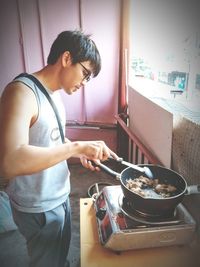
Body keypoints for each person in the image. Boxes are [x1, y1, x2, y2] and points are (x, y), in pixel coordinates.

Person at [0, 30, 118, 267]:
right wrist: (76, 147)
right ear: (66, 59)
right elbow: (11, 161)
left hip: (59, 194)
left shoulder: (53, 94)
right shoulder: (21, 92)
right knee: (46, 260)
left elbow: (51, 140)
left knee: (58, 254)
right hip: (38, 205)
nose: (84, 83)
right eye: (85, 74)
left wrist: (79, 150)